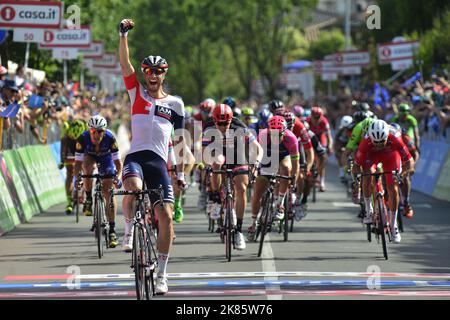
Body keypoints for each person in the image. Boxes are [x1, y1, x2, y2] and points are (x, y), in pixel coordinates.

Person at [118, 18, 186, 295]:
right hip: (136, 157)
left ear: (164, 74)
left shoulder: (176, 103)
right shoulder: (136, 91)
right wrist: (122, 35)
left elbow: (180, 142)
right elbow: (125, 65)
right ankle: (129, 230)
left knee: (166, 217)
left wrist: (180, 173)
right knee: (133, 189)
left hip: (159, 163)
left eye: (158, 71)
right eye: (149, 71)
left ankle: (161, 274)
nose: (153, 75)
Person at [202, 103, 263, 250]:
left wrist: (256, 163)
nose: (223, 127)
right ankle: (216, 198)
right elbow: (203, 151)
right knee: (216, 162)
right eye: (220, 123)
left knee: (241, 188)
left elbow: (257, 148)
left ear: (231, 120)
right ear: (215, 121)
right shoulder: (209, 128)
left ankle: (238, 231)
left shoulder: (239, 127)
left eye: (226, 123)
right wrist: (206, 165)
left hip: (237, 155)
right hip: (218, 153)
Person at [353, 120, 414, 243]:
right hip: (371, 156)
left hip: (391, 157)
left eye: (382, 142)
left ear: (387, 136)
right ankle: (369, 209)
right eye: (376, 143)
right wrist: (357, 179)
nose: (379, 145)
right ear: (371, 138)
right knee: (366, 175)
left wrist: (402, 174)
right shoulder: (366, 141)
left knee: (393, 188)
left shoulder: (395, 137)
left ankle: (393, 225)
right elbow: (356, 165)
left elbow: (409, 162)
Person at [74, 115, 123, 248]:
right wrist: (78, 178)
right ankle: (89, 198)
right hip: (89, 156)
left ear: (104, 131)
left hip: (106, 158)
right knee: (87, 168)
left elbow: (118, 164)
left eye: (100, 131)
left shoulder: (110, 138)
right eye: (93, 131)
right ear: (89, 130)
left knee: (108, 190)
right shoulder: (82, 139)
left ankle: (112, 230)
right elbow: (77, 164)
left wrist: (116, 177)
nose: (96, 134)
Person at [248, 116, 299, 240]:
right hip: (266, 159)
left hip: (283, 157)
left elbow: (295, 163)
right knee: (257, 194)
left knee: (286, 169)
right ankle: (254, 223)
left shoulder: (291, 138)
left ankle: (279, 204)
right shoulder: (263, 136)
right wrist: (254, 170)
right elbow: (255, 156)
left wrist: (294, 179)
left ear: (284, 132)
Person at [59, 119, 88, 214]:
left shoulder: (86, 131)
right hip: (70, 149)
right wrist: (62, 161)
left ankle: (84, 195)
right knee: (70, 174)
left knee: (87, 172)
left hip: (83, 148)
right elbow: (63, 148)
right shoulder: (66, 131)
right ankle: (69, 200)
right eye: (73, 137)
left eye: (77, 138)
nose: (75, 139)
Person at [306, 106, 333, 192]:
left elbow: (329, 136)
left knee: (323, 157)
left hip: (320, 138)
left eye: (319, 117)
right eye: (315, 117)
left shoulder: (324, 121)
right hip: (310, 138)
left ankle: (321, 181)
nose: (317, 119)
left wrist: (330, 146)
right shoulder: (307, 121)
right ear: (311, 116)